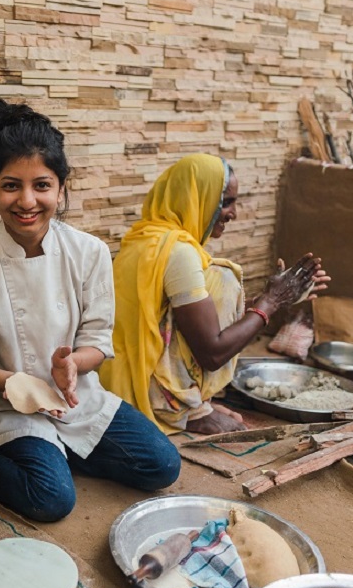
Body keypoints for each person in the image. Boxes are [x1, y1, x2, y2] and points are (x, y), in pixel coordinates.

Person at [0, 99, 181, 523]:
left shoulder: (89, 252)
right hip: (9, 409)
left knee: (162, 465)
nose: (26, 201)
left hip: (77, 399)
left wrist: (73, 365)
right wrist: (20, 385)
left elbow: (97, 339)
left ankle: (56, 452)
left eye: (42, 185)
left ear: (61, 188)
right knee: (51, 499)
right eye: (10, 186)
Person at [101, 154, 328, 435]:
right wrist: (271, 301)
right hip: (144, 390)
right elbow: (212, 352)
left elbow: (184, 317)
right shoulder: (179, 253)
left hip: (118, 376)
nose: (234, 214)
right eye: (226, 202)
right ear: (196, 198)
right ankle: (183, 409)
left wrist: (276, 299)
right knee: (223, 278)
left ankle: (190, 403)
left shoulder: (144, 238)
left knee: (218, 282)